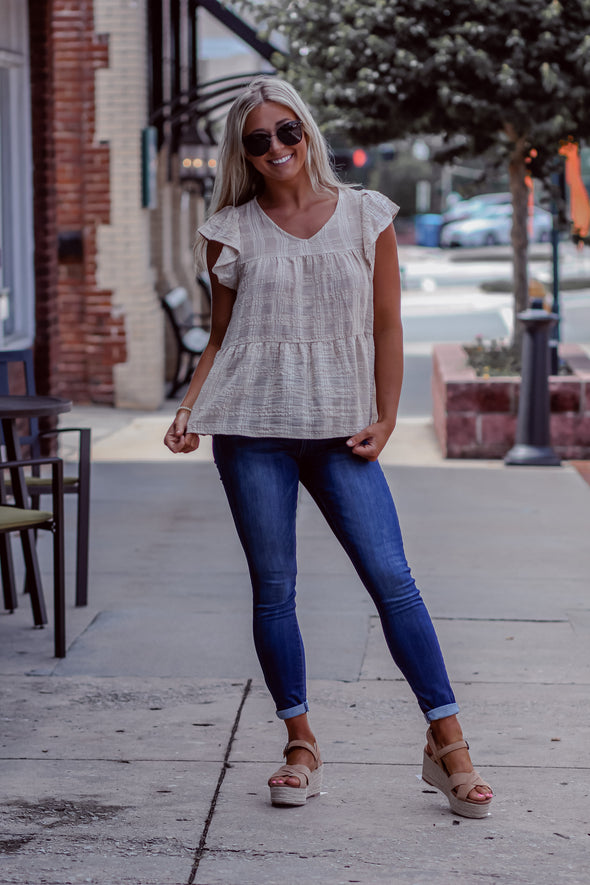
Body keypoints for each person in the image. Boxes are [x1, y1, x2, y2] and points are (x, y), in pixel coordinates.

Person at [164, 77, 493, 818]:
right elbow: (220, 336)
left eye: (287, 131)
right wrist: (190, 407)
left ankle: (449, 744)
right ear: (242, 154)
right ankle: (300, 742)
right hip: (251, 429)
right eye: (258, 140)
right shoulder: (229, 229)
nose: (277, 147)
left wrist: (386, 415)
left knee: (393, 579)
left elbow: (387, 326)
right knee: (275, 588)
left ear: (307, 132)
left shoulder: (366, 214)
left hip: (342, 428)